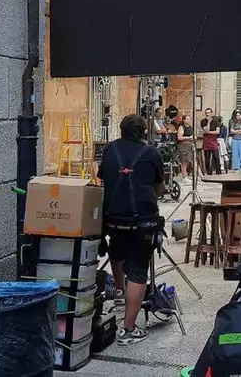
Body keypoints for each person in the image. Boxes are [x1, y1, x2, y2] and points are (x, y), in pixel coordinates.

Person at [97, 114, 165, 345]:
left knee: (116, 251)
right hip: (141, 222)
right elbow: (160, 189)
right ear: (144, 131)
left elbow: (103, 179)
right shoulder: (151, 153)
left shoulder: (109, 150)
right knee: (137, 271)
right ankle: (128, 329)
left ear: (121, 130)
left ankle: (119, 292)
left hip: (112, 218)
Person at [201, 109, 221, 175]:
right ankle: (209, 172)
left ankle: (218, 172)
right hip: (206, 141)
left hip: (213, 140)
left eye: (209, 113)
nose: (207, 114)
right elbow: (206, 130)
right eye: (206, 113)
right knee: (207, 158)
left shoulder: (216, 121)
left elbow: (217, 132)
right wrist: (209, 122)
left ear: (211, 113)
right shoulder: (203, 121)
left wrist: (208, 132)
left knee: (216, 157)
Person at [176, 115, 195, 180]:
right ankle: (184, 177)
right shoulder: (181, 127)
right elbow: (179, 137)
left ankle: (200, 175)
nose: (188, 120)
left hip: (190, 145)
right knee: (184, 162)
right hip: (183, 146)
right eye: (187, 119)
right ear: (183, 120)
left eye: (189, 119)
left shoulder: (191, 127)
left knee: (194, 161)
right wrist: (189, 137)